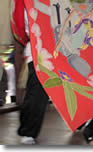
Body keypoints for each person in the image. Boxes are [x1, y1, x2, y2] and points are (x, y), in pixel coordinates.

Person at [17, 9, 49, 145]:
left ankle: (81, 122)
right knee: (37, 92)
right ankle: (28, 130)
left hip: (60, 51)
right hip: (38, 49)